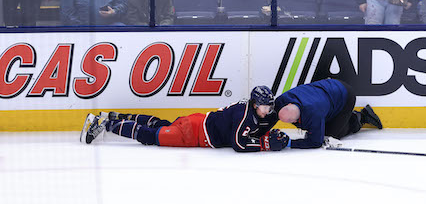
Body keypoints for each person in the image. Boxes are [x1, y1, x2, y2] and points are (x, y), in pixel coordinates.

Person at [81, 86, 289, 153]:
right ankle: (104, 124)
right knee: (152, 136)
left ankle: (112, 116)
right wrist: (264, 144)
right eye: (264, 106)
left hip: (198, 122)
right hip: (195, 134)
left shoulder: (249, 110)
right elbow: (237, 143)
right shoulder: (246, 117)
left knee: (162, 124)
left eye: (269, 106)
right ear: (255, 104)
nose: (268, 110)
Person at [273, 78, 382, 149]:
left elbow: (316, 142)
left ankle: (360, 117)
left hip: (345, 96)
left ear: (295, 120)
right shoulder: (282, 101)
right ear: (289, 104)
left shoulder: (313, 114)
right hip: (327, 89)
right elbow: (272, 115)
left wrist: (288, 143)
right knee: (321, 126)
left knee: (330, 135)